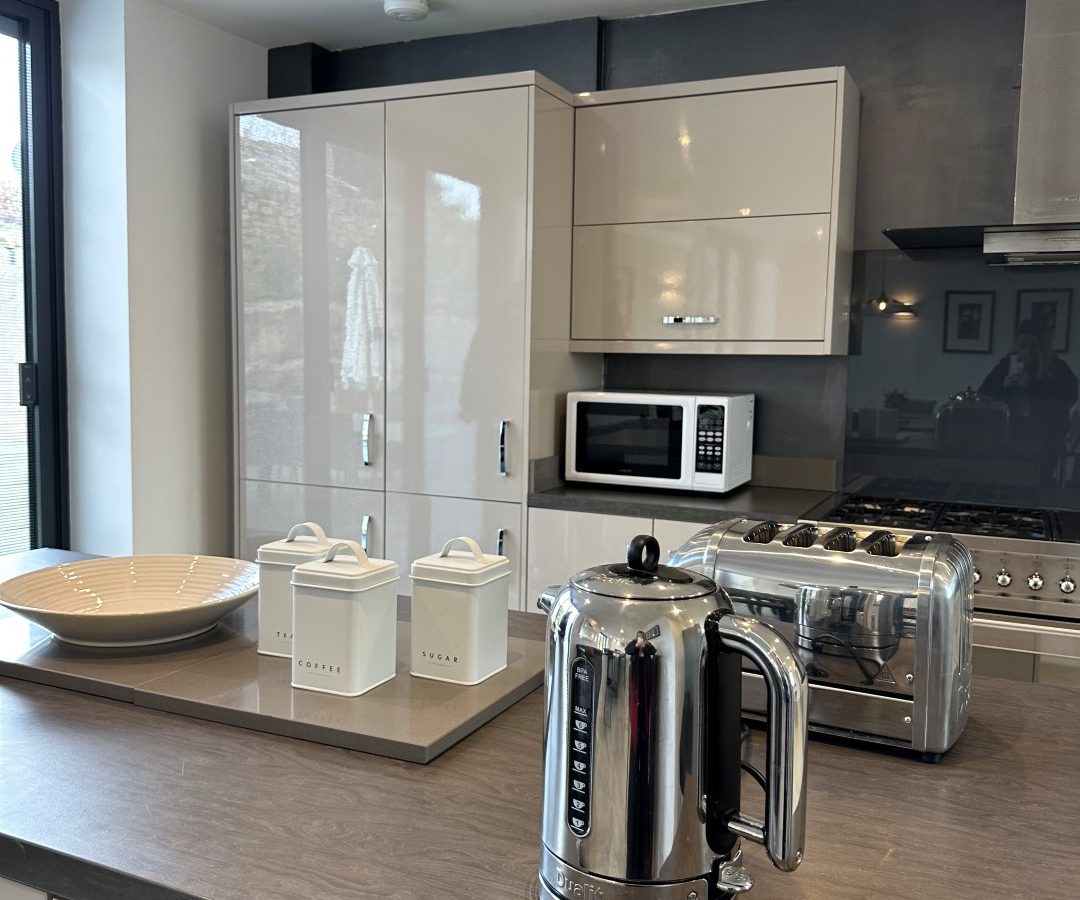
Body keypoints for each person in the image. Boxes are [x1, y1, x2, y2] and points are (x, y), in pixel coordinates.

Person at [980, 319, 1079, 483]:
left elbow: (1067, 398)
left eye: (1034, 347)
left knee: (1036, 483)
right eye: (1022, 346)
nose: (1027, 352)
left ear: (1044, 347)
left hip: (1045, 440)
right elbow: (983, 396)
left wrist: (1033, 384)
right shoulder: (1006, 366)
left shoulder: (1057, 368)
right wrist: (1003, 387)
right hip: (1008, 437)